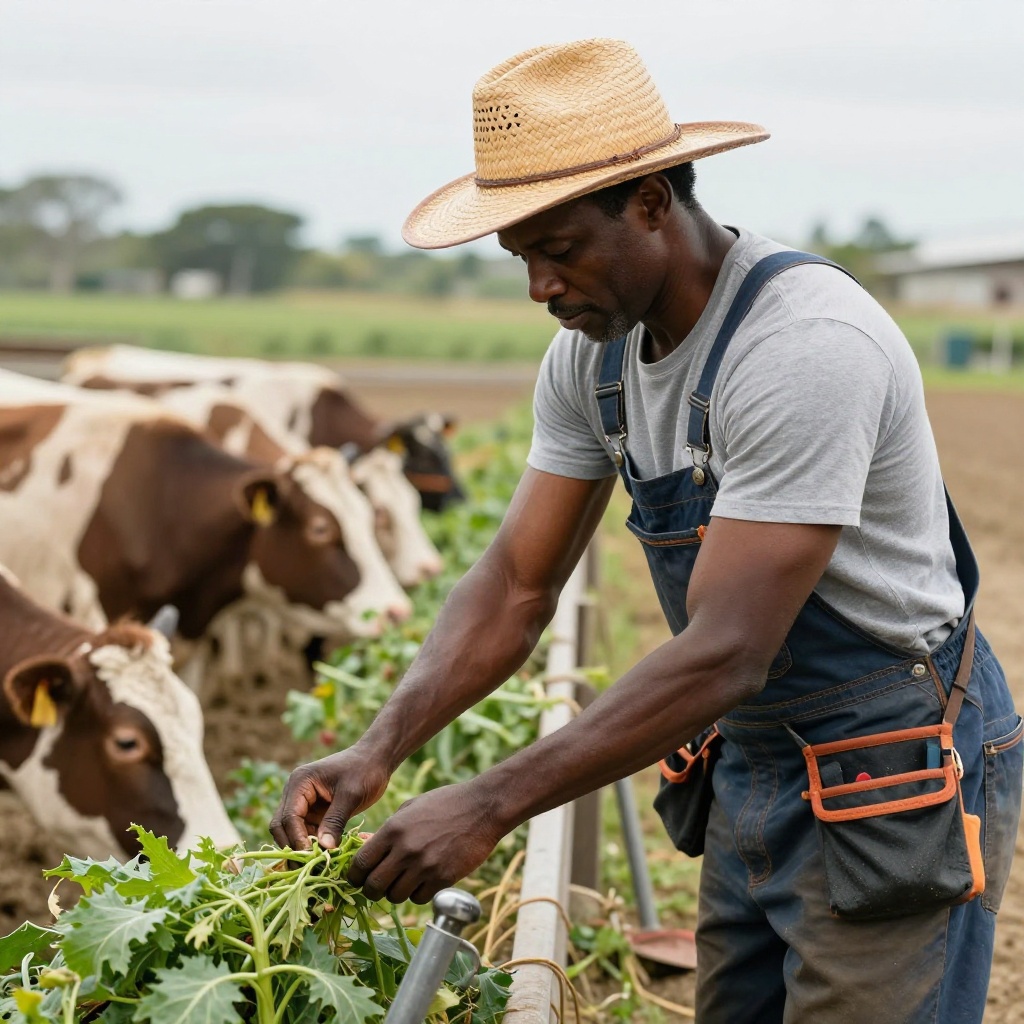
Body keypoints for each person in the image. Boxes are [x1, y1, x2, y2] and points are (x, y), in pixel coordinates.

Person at [271, 38, 1022, 1023]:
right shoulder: (594, 361)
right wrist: (379, 748)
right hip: (754, 759)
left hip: (885, 757)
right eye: (522, 258)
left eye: (560, 247)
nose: (540, 285)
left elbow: (725, 650)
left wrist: (490, 802)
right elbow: (513, 584)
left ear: (653, 202)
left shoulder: (801, 346)